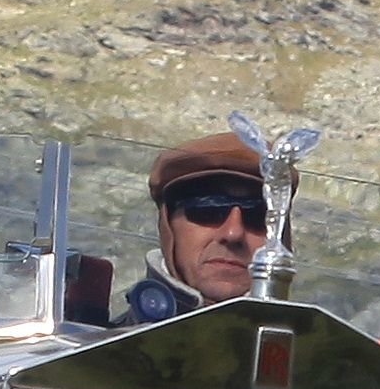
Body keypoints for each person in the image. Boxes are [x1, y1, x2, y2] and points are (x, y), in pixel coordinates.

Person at [117, 132, 274, 324]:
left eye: (258, 215)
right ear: (168, 227)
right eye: (208, 209)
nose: (233, 233)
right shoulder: (94, 349)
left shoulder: (310, 351)